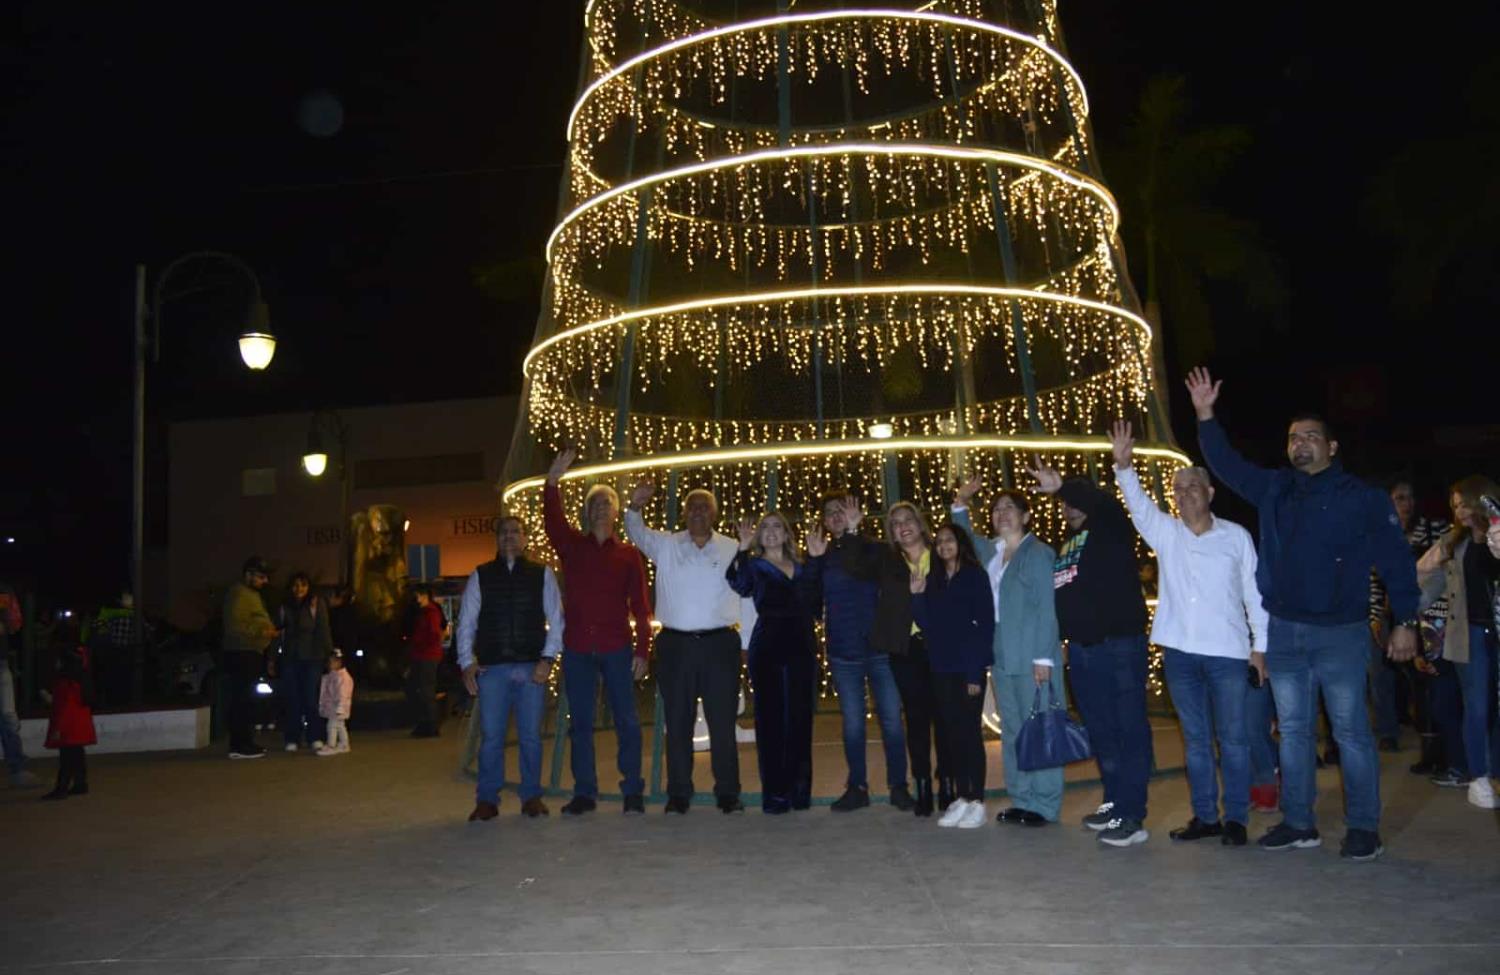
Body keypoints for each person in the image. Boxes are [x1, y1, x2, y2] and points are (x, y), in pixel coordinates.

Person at [1186, 367, 1421, 861]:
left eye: (1312, 437)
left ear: (1331, 448)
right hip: (1287, 632)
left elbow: (1398, 561)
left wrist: (1405, 620)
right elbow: (1227, 465)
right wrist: (1206, 414)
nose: (1302, 444)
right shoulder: (1275, 489)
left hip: (1341, 633)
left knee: (1350, 731)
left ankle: (1363, 827)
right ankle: (1299, 822)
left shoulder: (1361, 499)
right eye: (1295, 438)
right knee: (1292, 731)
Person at [1108, 420, 1269, 847]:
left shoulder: (1236, 537)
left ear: (1210, 493)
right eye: (1177, 490)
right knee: (1196, 741)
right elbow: (1140, 506)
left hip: (1228, 654)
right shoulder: (1167, 533)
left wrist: (1260, 648)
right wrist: (1123, 465)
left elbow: (1255, 595)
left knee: (1233, 739)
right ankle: (1205, 816)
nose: (1183, 494)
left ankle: (1235, 817)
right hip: (1180, 653)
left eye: (1191, 487)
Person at [1026, 458, 1153, 848]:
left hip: (1118, 646)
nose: (1068, 507)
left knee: (1128, 729)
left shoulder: (1112, 526)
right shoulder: (1067, 544)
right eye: (1064, 504)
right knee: (1102, 733)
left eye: (1074, 500)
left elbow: (1100, 503)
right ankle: (1114, 803)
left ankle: (1132, 815)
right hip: (1081, 652)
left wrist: (1061, 485)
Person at [543, 449, 653, 816]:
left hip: (617, 648)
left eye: (607, 503)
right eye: (595, 504)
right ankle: (585, 792)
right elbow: (553, 522)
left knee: (627, 720)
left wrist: (642, 650)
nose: (601, 508)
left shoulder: (628, 555)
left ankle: (632, 789)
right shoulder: (572, 546)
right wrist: (553, 482)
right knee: (582, 725)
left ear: (616, 510)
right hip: (577, 649)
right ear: (587, 513)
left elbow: (640, 606)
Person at [952, 479, 1066, 826]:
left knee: (1040, 730)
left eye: (1010, 508)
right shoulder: (993, 552)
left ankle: (1045, 804)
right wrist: (960, 503)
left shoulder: (1039, 553)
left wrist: (1044, 657)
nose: (1002, 513)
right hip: (1002, 655)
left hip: (1033, 654)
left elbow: (1048, 608)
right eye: (997, 508)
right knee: (1013, 729)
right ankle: (1023, 799)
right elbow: (965, 539)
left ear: (1026, 515)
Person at [625, 482, 744, 814]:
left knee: (723, 723)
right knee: (677, 722)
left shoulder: (733, 547)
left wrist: (746, 642)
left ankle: (728, 792)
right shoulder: (665, 544)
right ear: (684, 513)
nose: (698, 512)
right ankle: (678, 793)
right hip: (675, 645)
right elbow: (635, 531)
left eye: (704, 506)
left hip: (721, 644)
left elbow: (747, 594)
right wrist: (634, 506)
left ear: (715, 514)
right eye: (692, 506)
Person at [839, 500, 943, 816]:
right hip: (906, 649)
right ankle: (921, 785)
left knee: (946, 718)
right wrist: (853, 529)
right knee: (914, 721)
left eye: (907, 519)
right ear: (892, 533)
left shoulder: (940, 553)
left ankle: (952, 786)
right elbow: (854, 566)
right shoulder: (888, 559)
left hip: (943, 647)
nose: (902, 525)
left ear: (919, 523)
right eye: (896, 523)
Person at [458, 515, 564, 821]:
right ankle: (487, 799)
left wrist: (548, 659)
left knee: (530, 736)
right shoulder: (481, 575)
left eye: (515, 532)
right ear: (496, 538)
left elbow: (557, 619)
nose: (509, 536)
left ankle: (531, 796)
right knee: (491, 736)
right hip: (493, 670)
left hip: (532, 667)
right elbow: (466, 622)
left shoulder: (542, 575)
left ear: (526, 538)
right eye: (504, 532)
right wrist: (466, 662)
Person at [815, 492, 910, 812]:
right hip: (844, 652)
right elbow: (812, 602)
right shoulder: (822, 553)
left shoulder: (878, 549)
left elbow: (864, 571)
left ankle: (899, 785)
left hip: (879, 649)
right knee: (853, 724)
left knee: (892, 722)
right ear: (825, 521)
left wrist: (854, 535)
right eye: (829, 512)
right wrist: (813, 563)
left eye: (841, 509)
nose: (836, 515)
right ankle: (857, 786)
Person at [726, 512, 823, 814]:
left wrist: (817, 560)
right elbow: (738, 584)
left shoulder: (803, 567)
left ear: (786, 534)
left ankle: (799, 792)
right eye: (764, 527)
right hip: (768, 646)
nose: (770, 532)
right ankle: (776, 795)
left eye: (776, 526)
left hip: (802, 646)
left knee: (800, 719)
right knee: (770, 722)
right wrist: (741, 549)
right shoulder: (754, 566)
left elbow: (816, 602)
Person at [1416, 476, 1500, 809]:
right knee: (1477, 706)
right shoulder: (1453, 542)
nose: (1460, 511)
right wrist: (1406, 622)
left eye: (1464, 503)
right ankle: (1478, 776)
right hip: (1470, 634)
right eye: (1454, 506)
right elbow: (1423, 579)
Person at [910, 522, 994, 829]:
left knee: (970, 734)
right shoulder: (934, 581)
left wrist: (975, 672)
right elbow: (927, 623)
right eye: (940, 541)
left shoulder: (975, 576)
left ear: (961, 543)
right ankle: (962, 796)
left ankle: (977, 800)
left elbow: (984, 626)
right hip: (941, 668)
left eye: (950, 540)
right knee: (951, 735)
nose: (944, 545)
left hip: (967, 668)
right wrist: (917, 595)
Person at [1368, 480, 1449, 754]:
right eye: (1400, 497)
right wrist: (1375, 616)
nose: (1406, 503)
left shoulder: (1433, 528)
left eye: (1410, 497)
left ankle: (1432, 734)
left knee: (1424, 676)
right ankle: (1387, 731)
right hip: (1388, 613)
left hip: (1426, 614)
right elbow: (1373, 581)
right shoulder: (1379, 533)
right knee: (1380, 675)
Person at [222, 557, 280, 760]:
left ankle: (244, 742)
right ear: (248, 575)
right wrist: (264, 631)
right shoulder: (239, 593)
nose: (265, 581)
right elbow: (236, 627)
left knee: (246, 699)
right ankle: (239, 745)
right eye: (261, 577)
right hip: (242, 653)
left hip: (250, 653)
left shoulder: (249, 594)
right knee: (242, 699)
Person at [277, 572, 332, 752]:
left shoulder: (316, 604)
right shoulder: (284, 607)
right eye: (295, 585)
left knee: (311, 698)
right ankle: (292, 737)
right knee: (292, 699)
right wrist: (272, 657)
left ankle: (314, 736)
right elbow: (277, 633)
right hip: (290, 658)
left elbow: (323, 630)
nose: (299, 589)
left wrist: (329, 655)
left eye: (303, 585)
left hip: (312, 658)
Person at [41, 643, 96, 800]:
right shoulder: (81, 679)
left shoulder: (66, 682)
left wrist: (58, 728)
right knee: (77, 754)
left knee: (66, 758)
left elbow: (64, 707)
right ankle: (80, 784)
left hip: (68, 726)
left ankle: (61, 788)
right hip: (79, 724)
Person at [1, 581, 38, 787]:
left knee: (8, 717)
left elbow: (12, 625)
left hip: (0, 662)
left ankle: (16, 767)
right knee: (8, 717)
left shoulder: (4, 590)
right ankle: (16, 767)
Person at [405, 585, 446, 738]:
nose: (416, 599)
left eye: (418, 596)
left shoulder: (430, 613)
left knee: (425, 690)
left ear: (424, 596)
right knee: (422, 690)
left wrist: (419, 644)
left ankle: (430, 725)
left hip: (426, 656)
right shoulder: (427, 612)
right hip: (424, 655)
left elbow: (433, 634)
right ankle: (427, 724)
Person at [316, 650, 353, 756]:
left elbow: (343, 694)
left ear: (339, 663)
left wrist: (340, 707)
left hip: (337, 708)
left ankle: (331, 745)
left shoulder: (342, 678)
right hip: (333, 707)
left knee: (332, 726)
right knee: (340, 726)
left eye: (332, 662)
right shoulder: (333, 676)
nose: (329, 664)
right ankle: (344, 744)